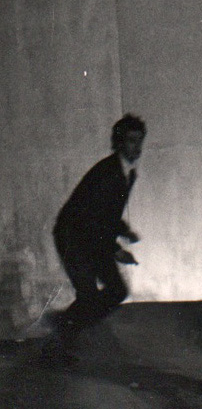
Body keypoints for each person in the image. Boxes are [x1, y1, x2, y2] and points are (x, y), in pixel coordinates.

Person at [45, 114, 146, 364]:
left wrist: (123, 230)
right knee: (89, 296)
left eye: (139, 140)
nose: (137, 147)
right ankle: (58, 343)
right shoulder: (109, 172)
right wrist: (116, 249)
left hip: (92, 237)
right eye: (131, 140)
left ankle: (66, 329)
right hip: (74, 237)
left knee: (116, 291)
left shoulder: (125, 172)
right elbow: (92, 218)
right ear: (119, 142)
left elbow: (106, 213)